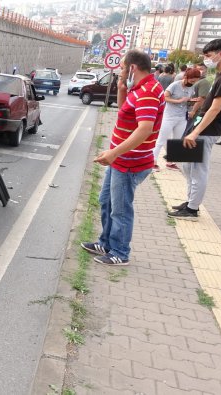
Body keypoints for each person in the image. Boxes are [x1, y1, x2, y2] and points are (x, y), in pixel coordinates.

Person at [81, 49, 165, 265]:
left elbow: (144, 129)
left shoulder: (147, 91)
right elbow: (125, 112)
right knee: (106, 201)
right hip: (120, 160)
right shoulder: (139, 88)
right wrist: (121, 89)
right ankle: (106, 242)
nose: (120, 71)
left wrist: (114, 152)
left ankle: (120, 252)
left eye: (122, 67)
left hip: (129, 162)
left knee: (120, 209)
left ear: (133, 68)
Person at [168, 39, 221, 218]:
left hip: (206, 131)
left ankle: (192, 208)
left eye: (208, 56)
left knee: (198, 169)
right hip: (198, 127)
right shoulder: (220, 75)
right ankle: (190, 201)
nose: (206, 60)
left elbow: (215, 109)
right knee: (187, 166)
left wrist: (195, 132)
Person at [153, 68, 201, 171]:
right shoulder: (175, 85)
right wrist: (178, 100)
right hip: (169, 116)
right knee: (161, 139)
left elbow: (187, 101)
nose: (193, 83)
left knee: (176, 140)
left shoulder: (191, 88)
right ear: (186, 77)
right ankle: (153, 161)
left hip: (182, 117)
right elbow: (164, 97)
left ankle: (171, 162)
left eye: (195, 81)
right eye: (192, 81)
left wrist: (191, 101)